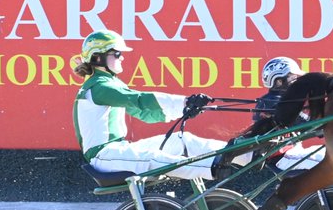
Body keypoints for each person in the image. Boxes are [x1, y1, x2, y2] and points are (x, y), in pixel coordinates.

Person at [73, 29, 222, 180]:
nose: (122, 58)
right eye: (117, 54)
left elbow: (144, 113)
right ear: (98, 57)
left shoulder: (108, 84)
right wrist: (185, 102)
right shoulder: (99, 87)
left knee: (182, 140)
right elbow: (140, 99)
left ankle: (241, 156)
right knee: (154, 158)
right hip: (104, 157)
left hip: (119, 152)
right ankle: (217, 168)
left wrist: (184, 110)